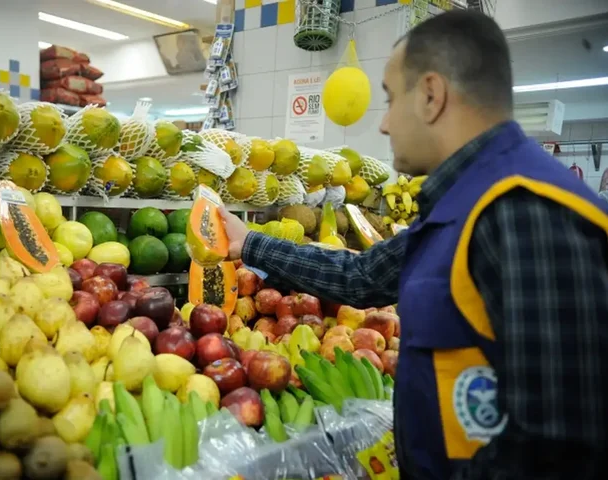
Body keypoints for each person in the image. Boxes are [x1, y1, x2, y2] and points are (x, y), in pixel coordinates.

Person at [218, 10, 608, 480]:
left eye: (390, 99)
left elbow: (558, 446)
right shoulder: (461, 205)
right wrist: (250, 243)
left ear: (430, 95)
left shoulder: (527, 213)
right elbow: (360, 277)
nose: (383, 124)